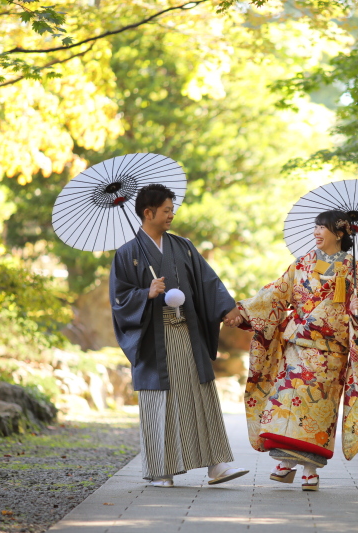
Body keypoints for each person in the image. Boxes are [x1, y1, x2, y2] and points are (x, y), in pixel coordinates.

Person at [225, 210, 358, 491]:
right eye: (315, 227)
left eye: (322, 227)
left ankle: (310, 469)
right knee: (286, 402)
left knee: (318, 410)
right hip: (297, 347)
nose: (316, 232)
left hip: (330, 354)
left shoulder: (354, 270)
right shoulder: (302, 264)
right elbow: (275, 294)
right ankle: (285, 462)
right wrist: (243, 311)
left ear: (340, 233)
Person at [109, 184, 248, 488]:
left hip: (187, 331)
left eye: (172, 210)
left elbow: (208, 281)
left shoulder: (183, 246)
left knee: (200, 395)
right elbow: (119, 300)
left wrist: (227, 308)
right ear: (148, 213)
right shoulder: (127, 254)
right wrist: (146, 293)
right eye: (166, 210)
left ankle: (217, 465)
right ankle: (161, 470)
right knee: (161, 401)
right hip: (153, 339)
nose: (171, 215)